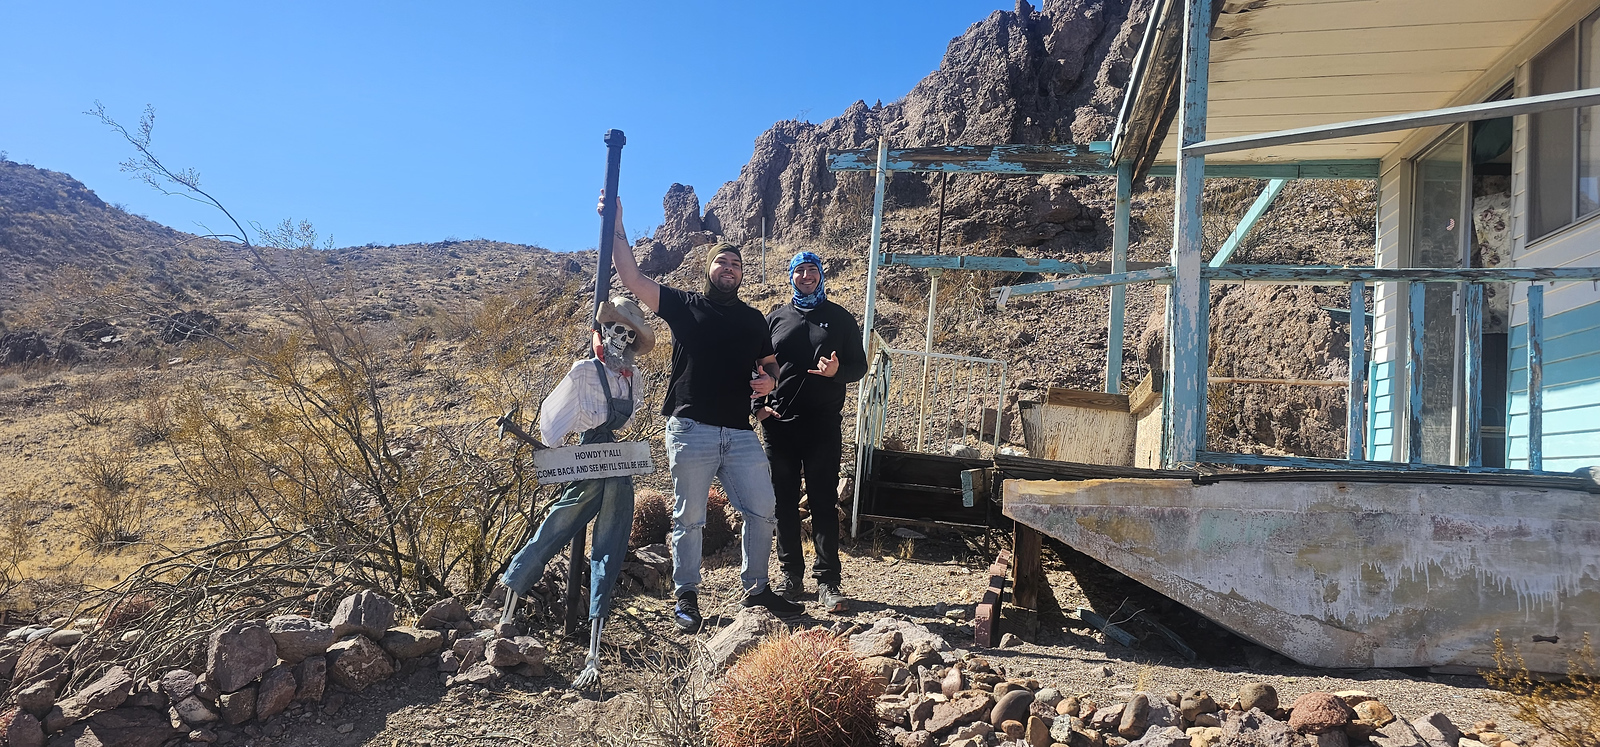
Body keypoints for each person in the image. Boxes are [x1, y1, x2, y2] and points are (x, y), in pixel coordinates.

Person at [604, 194, 805, 632]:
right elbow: (632, 277)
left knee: (763, 509)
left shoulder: (754, 319)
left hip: (740, 431)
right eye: (722, 262)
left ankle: (757, 588)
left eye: (736, 264)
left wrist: (770, 383)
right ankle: (687, 595)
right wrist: (617, 223)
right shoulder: (685, 304)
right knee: (689, 518)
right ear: (709, 268)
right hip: (691, 426)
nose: (729, 268)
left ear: (742, 273)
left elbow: (770, 364)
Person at [497, 296, 653, 689]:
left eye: (629, 334)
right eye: (617, 329)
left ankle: (593, 653)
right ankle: (506, 614)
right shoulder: (584, 372)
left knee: (610, 547)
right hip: (590, 462)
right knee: (556, 526)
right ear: (605, 329)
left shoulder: (632, 378)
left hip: (616, 466)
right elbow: (551, 427)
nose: (622, 338)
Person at [756, 252, 867, 613]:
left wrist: (837, 373)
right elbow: (755, 368)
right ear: (790, 276)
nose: (806, 276)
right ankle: (791, 577)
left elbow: (860, 367)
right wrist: (757, 408)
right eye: (799, 270)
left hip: (823, 425)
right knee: (784, 504)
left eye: (812, 270)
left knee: (822, 502)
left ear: (821, 275)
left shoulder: (841, 318)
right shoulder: (774, 319)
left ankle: (828, 581)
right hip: (779, 425)